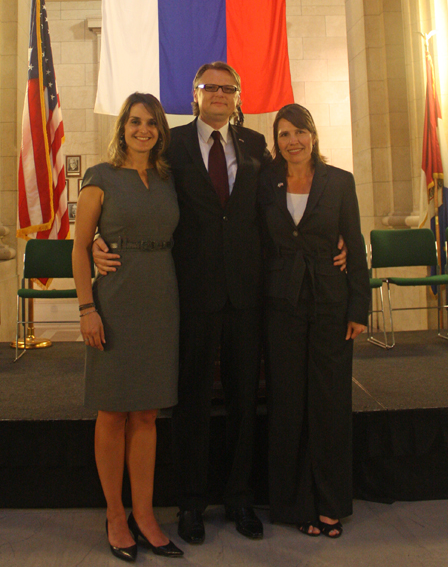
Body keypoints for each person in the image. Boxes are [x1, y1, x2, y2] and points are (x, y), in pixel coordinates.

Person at [93, 64, 347, 545]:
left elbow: (289, 197)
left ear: (237, 97)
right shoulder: (173, 145)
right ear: (195, 95)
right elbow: (138, 200)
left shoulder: (255, 146)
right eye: (210, 87)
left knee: (243, 400)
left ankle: (239, 497)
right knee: (189, 401)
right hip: (189, 293)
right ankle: (190, 502)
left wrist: (337, 237)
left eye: (227, 88)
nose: (219, 95)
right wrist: (95, 244)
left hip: (249, 293)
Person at [72, 92, 183, 562]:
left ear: (160, 130)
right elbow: (79, 248)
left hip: (161, 296)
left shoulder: (167, 177)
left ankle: (145, 514)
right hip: (114, 302)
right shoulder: (100, 177)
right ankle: (115, 515)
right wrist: (85, 308)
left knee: (146, 414)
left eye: (151, 123)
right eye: (135, 122)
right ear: (123, 127)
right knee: (113, 410)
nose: (143, 129)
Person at [258, 103, 370, 539]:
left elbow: (355, 245)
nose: (293, 141)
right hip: (281, 305)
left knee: (329, 404)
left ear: (314, 135)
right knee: (288, 404)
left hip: (331, 305)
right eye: (284, 134)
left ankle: (330, 503)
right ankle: (293, 503)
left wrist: (359, 308)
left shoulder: (340, 181)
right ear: (276, 141)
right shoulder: (265, 181)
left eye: (300, 132)